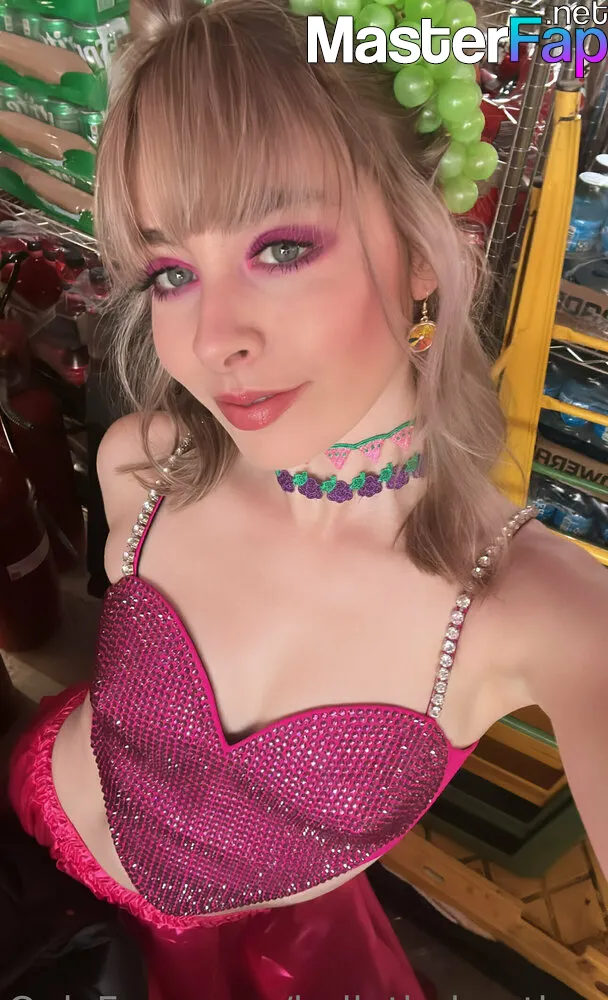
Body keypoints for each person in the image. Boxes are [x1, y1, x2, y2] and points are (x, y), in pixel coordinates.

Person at [7, 0, 608, 997]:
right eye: (170, 271)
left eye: (281, 248)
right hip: (38, 837)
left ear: (423, 249)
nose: (214, 340)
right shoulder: (139, 466)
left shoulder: (545, 612)